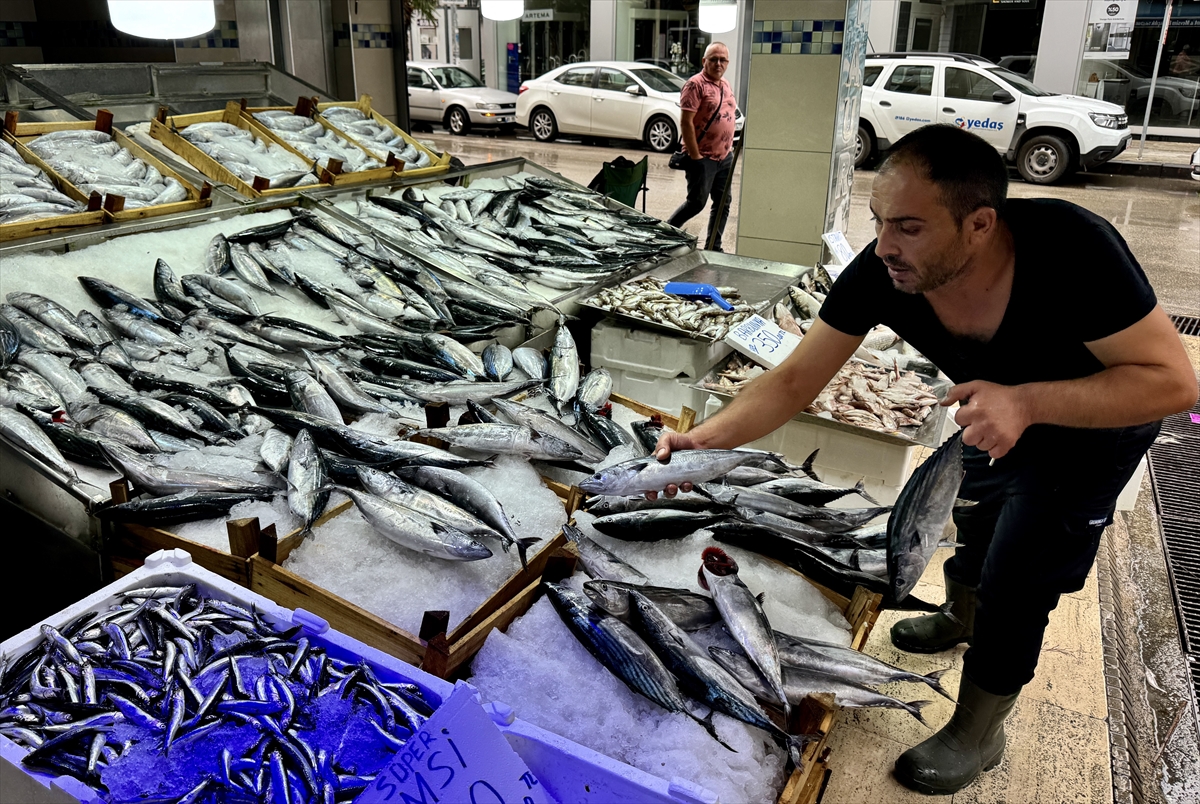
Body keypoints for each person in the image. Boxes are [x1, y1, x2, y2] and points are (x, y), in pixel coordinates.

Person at [650, 125, 1198, 795]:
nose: (884, 245)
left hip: (1096, 425)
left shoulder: (1073, 250)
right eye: (879, 220)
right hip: (993, 409)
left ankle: (977, 731)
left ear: (979, 225)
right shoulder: (884, 272)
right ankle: (960, 617)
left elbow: (1174, 383)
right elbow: (795, 381)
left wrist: (1026, 403)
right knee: (977, 515)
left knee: (1019, 577)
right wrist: (704, 441)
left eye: (909, 226)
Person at [667, 42, 738, 251]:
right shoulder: (695, 84)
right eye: (714, 59)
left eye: (722, 60)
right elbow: (686, 122)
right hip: (702, 156)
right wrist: (695, 156)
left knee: (723, 202)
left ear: (728, 62)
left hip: (724, 156)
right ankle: (666, 233)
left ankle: (713, 246)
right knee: (696, 203)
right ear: (704, 61)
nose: (718, 63)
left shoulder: (725, 84)